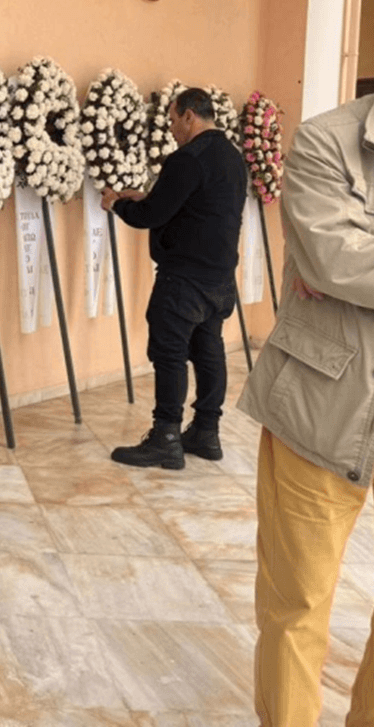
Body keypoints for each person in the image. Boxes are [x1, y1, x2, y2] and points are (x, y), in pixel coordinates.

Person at [237, 0, 374, 726]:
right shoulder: (328, 140)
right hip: (325, 403)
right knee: (296, 606)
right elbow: (333, 259)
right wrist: (353, 267)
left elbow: (362, 266)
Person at [100, 86, 247, 469]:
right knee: (209, 351)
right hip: (220, 277)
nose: (170, 129)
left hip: (183, 278)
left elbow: (153, 216)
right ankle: (206, 432)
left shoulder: (187, 158)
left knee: (169, 354)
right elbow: (195, 205)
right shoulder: (232, 156)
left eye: (172, 120)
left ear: (188, 116)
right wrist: (144, 196)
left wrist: (117, 205)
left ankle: (165, 437)